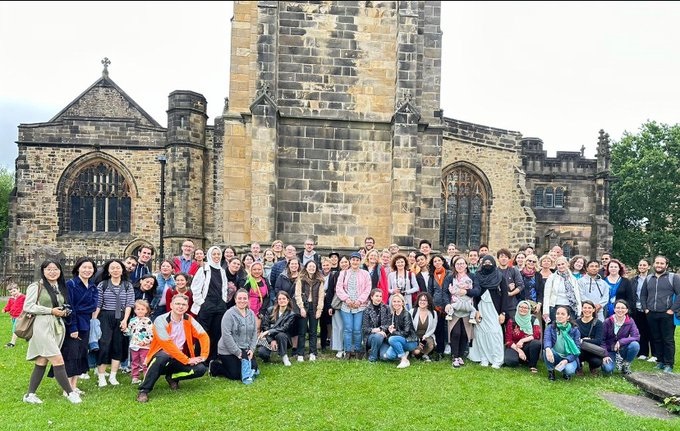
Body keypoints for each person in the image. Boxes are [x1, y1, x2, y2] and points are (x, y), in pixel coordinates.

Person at [22, 259, 82, 404]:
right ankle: (70, 393)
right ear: (43, 271)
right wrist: (50, 311)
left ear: (60, 271)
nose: (52, 272)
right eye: (49, 269)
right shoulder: (36, 286)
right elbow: (28, 306)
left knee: (42, 360)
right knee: (57, 359)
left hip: (57, 327)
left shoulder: (60, 287)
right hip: (42, 326)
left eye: (55, 269)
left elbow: (62, 305)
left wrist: (64, 311)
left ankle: (30, 394)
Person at [136, 294, 209, 402]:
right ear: (171, 305)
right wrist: (187, 360)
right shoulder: (160, 320)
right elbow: (167, 345)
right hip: (160, 356)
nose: (180, 306)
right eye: (177, 304)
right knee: (163, 356)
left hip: (178, 358)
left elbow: (203, 335)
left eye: (183, 304)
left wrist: (203, 356)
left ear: (187, 307)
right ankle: (144, 390)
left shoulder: (189, 319)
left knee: (201, 368)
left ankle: (172, 377)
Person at [55, 257, 97, 396]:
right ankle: (67, 388)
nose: (87, 270)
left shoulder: (92, 286)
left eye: (90, 268)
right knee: (71, 355)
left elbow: (93, 306)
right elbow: (70, 306)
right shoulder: (71, 284)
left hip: (85, 323)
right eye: (84, 267)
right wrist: (73, 327)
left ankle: (74, 385)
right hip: (73, 323)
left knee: (80, 354)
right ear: (78, 268)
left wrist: (82, 308)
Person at [94, 259, 135, 388]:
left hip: (121, 317)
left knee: (118, 346)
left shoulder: (128, 285)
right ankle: (101, 376)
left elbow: (129, 303)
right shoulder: (102, 285)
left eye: (118, 268)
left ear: (122, 270)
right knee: (104, 345)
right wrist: (94, 320)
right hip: (105, 316)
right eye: (113, 268)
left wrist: (125, 320)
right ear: (108, 270)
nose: (115, 270)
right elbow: (98, 304)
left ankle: (113, 376)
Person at [191, 246, 235, 362]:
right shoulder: (204, 269)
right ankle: (201, 357)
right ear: (210, 255)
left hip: (219, 306)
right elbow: (195, 288)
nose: (216, 256)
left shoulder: (221, 270)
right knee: (203, 333)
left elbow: (224, 287)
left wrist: (223, 301)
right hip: (207, 305)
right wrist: (201, 302)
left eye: (218, 254)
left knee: (217, 332)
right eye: (214, 254)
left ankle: (213, 357)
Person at [208, 289, 259, 384]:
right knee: (235, 374)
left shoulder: (251, 313)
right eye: (239, 298)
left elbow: (254, 333)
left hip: (245, 349)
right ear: (235, 300)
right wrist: (238, 353)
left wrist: (252, 349)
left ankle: (240, 362)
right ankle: (215, 366)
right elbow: (226, 335)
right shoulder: (229, 314)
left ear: (248, 300)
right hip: (227, 350)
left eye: (245, 298)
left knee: (254, 369)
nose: (242, 301)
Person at [640, 255, 680, 374]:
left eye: (662, 263)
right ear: (653, 264)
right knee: (656, 338)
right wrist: (645, 308)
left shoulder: (673, 277)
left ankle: (669, 364)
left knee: (667, 339)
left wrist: (672, 309)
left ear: (666, 265)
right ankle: (660, 361)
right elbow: (643, 295)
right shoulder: (649, 278)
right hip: (651, 313)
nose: (659, 265)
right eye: (657, 263)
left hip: (667, 313)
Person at [468, 256, 508, 369]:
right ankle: (484, 357)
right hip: (481, 309)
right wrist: (476, 310)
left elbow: (505, 295)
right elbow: (475, 295)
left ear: (494, 263)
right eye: (485, 262)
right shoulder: (477, 276)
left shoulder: (500, 276)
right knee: (481, 334)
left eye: (489, 262)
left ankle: (497, 359)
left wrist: (503, 313)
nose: (487, 264)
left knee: (495, 333)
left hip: (495, 309)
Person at [336, 252, 371, 359]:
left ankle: (357, 350)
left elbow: (368, 288)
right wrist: (347, 300)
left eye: (357, 260)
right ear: (350, 261)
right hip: (346, 306)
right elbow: (339, 288)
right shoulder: (343, 273)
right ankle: (347, 350)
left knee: (357, 329)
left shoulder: (365, 273)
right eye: (353, 260)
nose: (355, 262)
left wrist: (359, 301)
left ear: (360, 261)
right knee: (348, 329)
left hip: (360, 306)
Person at [445, 256, 479, 368]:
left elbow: (478, 291)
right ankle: (455, 356)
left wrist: (466, 291)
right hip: (454, 308)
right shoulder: (450, 277)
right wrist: (447, 304)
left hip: (467, 308)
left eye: (462, 263)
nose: (460, 266)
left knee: (465, 333)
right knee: (456, 332)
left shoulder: (472, 277)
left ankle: (460, 356)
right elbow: (445, 292)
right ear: (454, 266)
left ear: (466, 265)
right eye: (457, 264)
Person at [294, 260, 325, 362]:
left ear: (316, 268)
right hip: (303, 306)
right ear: (306, 268)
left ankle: (313, 352)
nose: (312, 268)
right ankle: (300, 353)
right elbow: (297, 295)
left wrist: (319, 310)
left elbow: (321, 296)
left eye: (313, 267)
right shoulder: (301, 279)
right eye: (310, 266)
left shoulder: (320, 280)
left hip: (314, 307)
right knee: (302, 331)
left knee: (313, 331)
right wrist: (301, 308)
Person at [601, 300, 640, 376]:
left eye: (623, 308)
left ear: (626, 310)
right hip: (609, 350)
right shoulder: (607, 322)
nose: (620, 310)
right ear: (614, 309)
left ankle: (625, 364)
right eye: (618, 308)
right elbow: (602, 340)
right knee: (608, 369)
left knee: (635, 345)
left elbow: (636, 336)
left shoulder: (630, 321)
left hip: (622, 349)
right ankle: (605, 364)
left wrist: (621, 342)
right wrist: (605, 355)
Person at [543, 305, 582, 381]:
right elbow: (547, 340)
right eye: (558, 313)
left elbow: (577, 350)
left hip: (569, 357)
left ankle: (565, 372)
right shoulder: (550, 327)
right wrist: (548, 349)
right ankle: (551, 371)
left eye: (563, 314)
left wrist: (566, 360)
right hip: (556, 355)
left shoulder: (575, 330)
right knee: (546, 350)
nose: (559, 316)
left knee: (569, 370)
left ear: (568, 317)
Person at [258, 291, 295, 366]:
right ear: (277, 301)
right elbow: (265, 326)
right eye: (280, 299)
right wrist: (271, 340)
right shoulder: (270, 310)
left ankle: (284, 356)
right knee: (262, 353)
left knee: (281, 335)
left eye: (284, 299)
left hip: (284, 339)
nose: (282, 301)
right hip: (269, 338)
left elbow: (284, 328)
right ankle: (267, 357)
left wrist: (269, 331)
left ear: (288, 300)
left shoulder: (291, 314)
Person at [503, 300, 542, 372]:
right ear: (518, 308)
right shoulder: (512, 321)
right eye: (521, 307)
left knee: (536, 343)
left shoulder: (533, 319)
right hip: (515, 346)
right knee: (510, 361)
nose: (523, 309)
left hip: (528, 346)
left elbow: (536, 335)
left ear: (529, 309)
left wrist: (522, 340)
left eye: (526, 308)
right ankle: (521, 359)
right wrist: (519, 351)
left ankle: (532, 365)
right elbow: (508, 340)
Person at [427, 254, 453, 360]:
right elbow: (430, 291)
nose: (437, 263)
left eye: (439, 260)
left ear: (442, 261)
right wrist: (431, 304)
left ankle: (452, 349)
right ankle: (440, 351)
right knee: (439, 329)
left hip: (448, 304)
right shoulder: (432, 276)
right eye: (434, 261)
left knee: (450, 328)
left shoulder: (450, 274)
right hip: (436, 307)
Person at [382, 293, 418, 368]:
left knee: (392, 339)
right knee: (389, 355)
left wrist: (393, 332)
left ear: (402, 302)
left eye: (398, 301)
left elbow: (406, 332)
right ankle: (404, 352)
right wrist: (390, 329)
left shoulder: (406, 314)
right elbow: (395, 331)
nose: (396, 303)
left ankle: (404, 360)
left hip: (410, 341)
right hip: (400, 340)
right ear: (391, 303)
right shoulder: (394, 314)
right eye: (394, 301)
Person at [542, 256, 582, 323]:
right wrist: (546, 311)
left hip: (570, 307)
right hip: (555, 307)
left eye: (563, 264)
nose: (561, 266)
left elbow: (577, 295)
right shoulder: (552, 277)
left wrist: (579, 310)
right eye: (559, 265)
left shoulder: (572, 278)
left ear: (567, 264)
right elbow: (546, 295)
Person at [630, 258, 655, 361]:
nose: (642, 267)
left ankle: (654, 354)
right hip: (637, 309)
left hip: (649, 309)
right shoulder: (634, 280)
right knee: (641, 331)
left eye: (644, 265)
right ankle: (643, 353)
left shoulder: (652, 279)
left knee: (652, 332)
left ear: (649, 267)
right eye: (640, 265)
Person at [127, 299, 153, 384]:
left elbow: (151, 334)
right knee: (134, 362)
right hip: (134, 345)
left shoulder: (148, 321)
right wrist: (124, 330)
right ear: (134, 310)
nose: (140, 311)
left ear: (146, 310)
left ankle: (147, 377)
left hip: (144, 346)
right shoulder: (132, 320)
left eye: (142, 309)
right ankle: (135, 377)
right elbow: (129, 332)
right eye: (138, 309)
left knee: (145, 362)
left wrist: (146, 341)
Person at [361, 289, 391, 362]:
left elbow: (389, 324)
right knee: (377, 336)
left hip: (384, 336)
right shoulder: (367, 310)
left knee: (384, 357)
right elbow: (365, 328)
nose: (379, 298)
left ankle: (376, 351)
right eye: (376, 296)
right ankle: (372, 357)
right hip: (370, 337)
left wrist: (380, 329)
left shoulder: (386, 308)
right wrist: (375, 331)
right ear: (371, 297)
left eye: (380, 296)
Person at [329, 255, 350, 359]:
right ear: (339, 264)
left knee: (348, 327)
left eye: (346, 262)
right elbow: (330, 290)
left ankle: (348, 348)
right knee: (338, 327)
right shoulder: (335, 274)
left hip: (351, 304)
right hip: (337, 304)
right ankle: (339, 348)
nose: (344, 264)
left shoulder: (354, 274)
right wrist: (330, 306)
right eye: (342, 262)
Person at [576, 300, 604, 375]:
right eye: (585, 308)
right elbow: (574, 339)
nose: (587, 310)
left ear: (594, 310)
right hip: (580, 350)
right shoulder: (576, 323)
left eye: (589, 308)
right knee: (576, 354)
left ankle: (592, 367)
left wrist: (583, 340)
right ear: (582, 309)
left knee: (597, 362)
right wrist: (588, 340)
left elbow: (598, 341)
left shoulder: (598, 323)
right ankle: (579, 367)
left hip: (592, 350)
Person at [410, 292, 438, 362]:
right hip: (414, 336)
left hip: (426, 336)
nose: (422, 302)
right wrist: (417, 339)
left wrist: (426, 336)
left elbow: (433, 328)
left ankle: (425, 354)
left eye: (424, 300)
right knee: (417, 352)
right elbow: (409, 328)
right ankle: (415, 353)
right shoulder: (412, 311)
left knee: (431, 345)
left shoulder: (433, 313)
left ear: (428, 302)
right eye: (420, 300)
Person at [245, 261, 270, 331]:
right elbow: (244, 295)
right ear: (251, 270)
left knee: (258, 329)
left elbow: (267, 297)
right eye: (254, 269)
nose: (257, 271)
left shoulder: (265, 280)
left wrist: (262, 310)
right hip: (249, 307)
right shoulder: (247, 281)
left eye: (259, 269)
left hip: (261, 307)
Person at [3, 282, 25, 347]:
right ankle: (28, 337)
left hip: (20, 316)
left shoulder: (23, 297)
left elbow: (27, 306)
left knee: (15, 329)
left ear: (18, 289)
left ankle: (12, 343)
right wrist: (5, 309)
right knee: (18, 328)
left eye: (14, 291)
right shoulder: (11, 299)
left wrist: (28, 313)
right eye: (11, 292)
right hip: (13, 316)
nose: (13, 293)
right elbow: (8, 306)